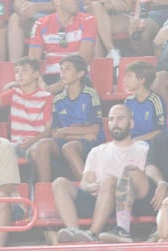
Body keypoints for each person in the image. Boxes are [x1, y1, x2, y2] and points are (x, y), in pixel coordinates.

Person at [52, 102, 148, 243]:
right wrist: (91, 187)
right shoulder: (97, 151)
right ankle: (75, 233)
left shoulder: (142, 149)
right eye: (111, 119)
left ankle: (92, 233)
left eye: (120, 118)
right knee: (59, 183)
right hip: (97, 199)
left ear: (131, 123)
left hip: (126, 204)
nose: (115, 123)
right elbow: (84, 183)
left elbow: (142, 184)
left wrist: (109, 184)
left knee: (108, 180)